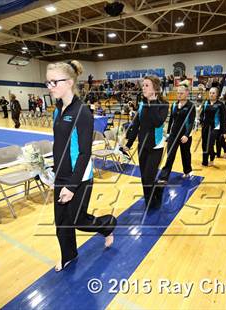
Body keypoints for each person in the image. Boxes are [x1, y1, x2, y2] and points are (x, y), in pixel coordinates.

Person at [47, 60, 117, 272]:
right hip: (61, 175)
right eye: (47, 82)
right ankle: (69, 255)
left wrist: (71, 186)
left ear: (69, 82)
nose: (49, 87)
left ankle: (108, 224)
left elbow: (85, 152)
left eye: (54, 82)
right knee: (61, 223)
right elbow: (60, 144)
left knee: (78, 220)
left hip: (79, 177)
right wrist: (52, 171)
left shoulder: (82, 111)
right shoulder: (57, 109)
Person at [124, 76, 168, 209]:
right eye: (143, 85)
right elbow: (136, 124)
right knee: (144, 177)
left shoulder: (163, 105)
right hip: (142, 145)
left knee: (149, 176)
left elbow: (158, 122)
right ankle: (149, 200)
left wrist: (153, 102)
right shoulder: (142, 104)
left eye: (147, 85)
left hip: (156, 146)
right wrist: (129, 143)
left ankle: (157, 192)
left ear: (155, 88)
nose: (143, 87)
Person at [158, 84, 195, 183]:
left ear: (187, 93)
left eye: (181, 93)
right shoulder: (174, 105)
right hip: (174, 134)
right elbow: (171, 120)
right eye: (178, 93)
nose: (179, 95)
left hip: (185, 136)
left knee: (185, 154)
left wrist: (186, 135)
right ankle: (164, 177)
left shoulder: (191, 106)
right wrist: (169, 132)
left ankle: (188, 171)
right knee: (170, 155)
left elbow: (191, 122)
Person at [200, 87, 226, 166]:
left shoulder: (220, 104)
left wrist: (224, 131)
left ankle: (212, 156)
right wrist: (201, 121)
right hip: (205, 127)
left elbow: (224, 118)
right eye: (210, 93)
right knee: (204, 145)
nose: (211, 94)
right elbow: (202, 114)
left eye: (213, 93)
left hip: (215, 127)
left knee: (210, 144)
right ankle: (205, 162)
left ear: (217, 94)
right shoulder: (206, 103)